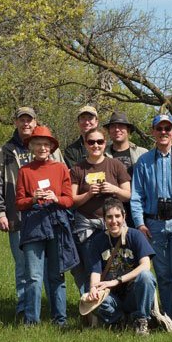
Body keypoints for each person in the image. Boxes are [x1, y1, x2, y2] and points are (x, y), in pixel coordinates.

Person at [0, 107, 64, 319]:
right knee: (24, 267)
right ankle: (25, 309)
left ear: (35, 122)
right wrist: (0, 212)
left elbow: (63, 177)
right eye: (22, 120)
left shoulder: (52, 149)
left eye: (29, 120)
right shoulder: (5, 151)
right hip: (17, 216)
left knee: (51, 267)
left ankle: (52, 309)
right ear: (16, 123)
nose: (26, 124)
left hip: (49, 218)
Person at [130, 114, 172, 326]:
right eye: (159, 129)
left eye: (168, 128)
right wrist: (139, 223)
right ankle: (167, 315)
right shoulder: (144, 161)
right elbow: (136, 195)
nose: (163, 132)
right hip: (153, 224)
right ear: (153, 132)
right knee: (163, 273)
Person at [15, 126, 77, 326]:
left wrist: (56, 198)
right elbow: (18, 202)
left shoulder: (60, 168)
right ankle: (31, 321)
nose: (42, 148)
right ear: (31, 147)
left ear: (51, 147)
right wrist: (33, 199)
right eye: (38, 144)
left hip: (56, 223)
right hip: (33, 226)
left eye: (45, 144)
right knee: (33, 276)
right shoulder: (25, 171)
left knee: (56, 275)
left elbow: (69, 200)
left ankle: (60, 319)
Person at [71, 127, 131, 296]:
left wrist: (114, 189)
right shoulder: (78, 169)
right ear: (85, 144)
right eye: (91, 142)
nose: (95, 145)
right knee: (92, 265)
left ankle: (119, 302)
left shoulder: (115, 165)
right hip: (87, 223)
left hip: (113, 224)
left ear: (105, 143)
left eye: (99, 141)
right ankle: (93, 305)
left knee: (117, 264)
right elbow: (72, 200)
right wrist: (89, 193)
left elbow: (127, 195)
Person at [84, 198, 157, 335]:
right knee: (91, 299)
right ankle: (120, 321)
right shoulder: (97, 241)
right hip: (111, 296)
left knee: (146, 277)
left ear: (124, 217)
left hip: (133, 294)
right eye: (109, 217)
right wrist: (93, 288)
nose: (114, 221)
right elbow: (95, 272)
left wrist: (117, 281)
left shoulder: (135, 236)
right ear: (104, 219)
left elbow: (146, 265)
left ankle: (141, 320)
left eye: (117, 216)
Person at [103, 111, 148, 228]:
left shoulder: (142, 154)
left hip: (138, 208)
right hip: (111, 209)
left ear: (128, 130)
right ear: (109, 131)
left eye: (121, 126)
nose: (117, 129)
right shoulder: (102, 154)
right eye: (113, 127)